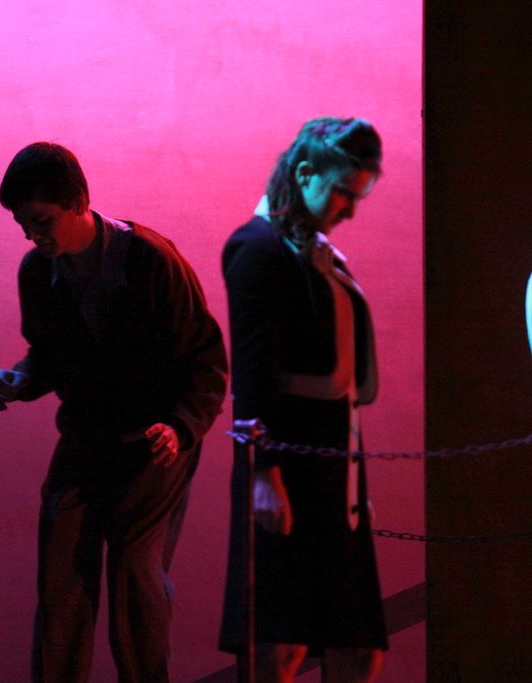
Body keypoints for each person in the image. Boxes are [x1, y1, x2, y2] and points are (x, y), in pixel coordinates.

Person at [0, 142, 228, 682]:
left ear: (79, 202)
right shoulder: (38, 273)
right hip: (87, 437)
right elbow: (49, 356)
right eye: (24, 225)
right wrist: (21, 380)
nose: (32, 237)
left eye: (42, 221)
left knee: (134, 579)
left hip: (152, 442)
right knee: (61, 581)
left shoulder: (151, 261)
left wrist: (180, 426)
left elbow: (206, 363)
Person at [218, 117, 388, 682]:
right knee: (279, 641)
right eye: (343, 192)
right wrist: (264, 474)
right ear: (307, 173)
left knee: (356, 643)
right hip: (287, 464)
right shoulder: (257, 248)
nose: (351, 210)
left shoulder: (312, 251)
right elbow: (252, 372)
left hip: (333, 467)